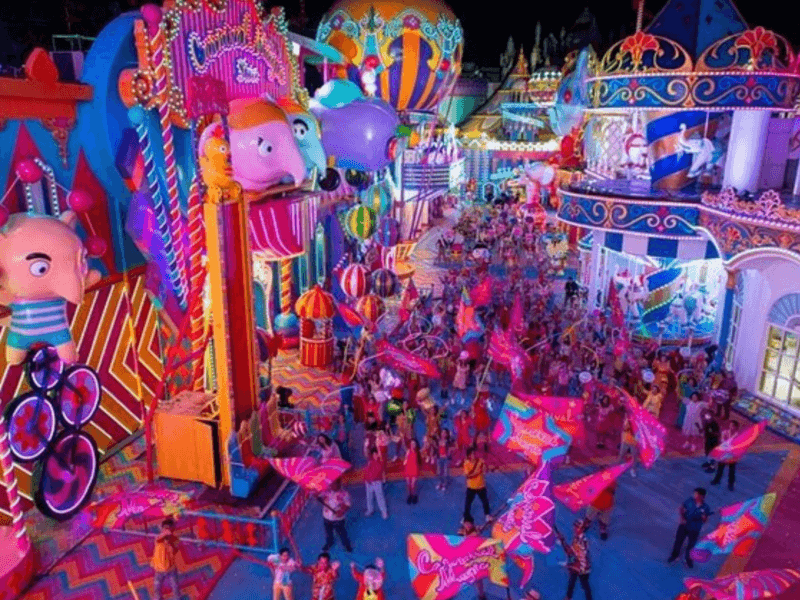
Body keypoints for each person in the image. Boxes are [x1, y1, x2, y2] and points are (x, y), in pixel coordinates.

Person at [668, 488, 712, 568]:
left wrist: (704, 517)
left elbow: (705, 520)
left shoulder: (706, 507)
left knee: (691, 545)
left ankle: (689, 560)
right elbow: (682, 509)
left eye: (697, 494)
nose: (695, 496)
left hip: (695, 529)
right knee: (678, 541)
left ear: (702, 496)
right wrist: (682, 518)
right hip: (684, 525)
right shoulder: (689, 501)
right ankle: (674, 556)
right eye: (695, 494)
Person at [556, 519, 593, 600]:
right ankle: (568, 597)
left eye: (577, 527)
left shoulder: (582, 542)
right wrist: (563, 541)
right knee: (572, 581)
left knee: (584, 585)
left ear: (582, 529)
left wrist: (563, 541)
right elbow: (571, 552)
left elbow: (571, 553)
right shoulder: (577, 539)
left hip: (582, 567)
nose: (574, 529)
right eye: (575, 527)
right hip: (577, 565)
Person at [318, 479, 353, 553]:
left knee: (342, 533)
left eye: (334, 484)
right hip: (326, 517)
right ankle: (329, 543)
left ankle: (346, 544)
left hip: (338, 519)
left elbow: (347, 504)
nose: (332, 485)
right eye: (331, 484)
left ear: (339, 484)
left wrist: (341, 511)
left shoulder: (344, 494)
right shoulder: (326, 491)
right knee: (328, 533)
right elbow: (319, 496)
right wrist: (316, 496)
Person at [152, 517, 180, 600]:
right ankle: (158, 598)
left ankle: (177, 598)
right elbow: (157, 539)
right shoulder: (159, 539)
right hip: (159, 568)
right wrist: (164, 534)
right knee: (157, 586)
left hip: (171, 568)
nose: (167, 531)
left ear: (173, 530)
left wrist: (170, 541)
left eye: (169, 529)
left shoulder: (175, 539)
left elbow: (175, 550)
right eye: (165, 529)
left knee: (175, 586)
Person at [462, 446, 492, 524]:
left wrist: (486, 468)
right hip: (471, 487)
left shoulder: (480, 461)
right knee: (468, 504)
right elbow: (468, 476)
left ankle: (487, 515)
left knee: (485, 501)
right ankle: (465, 517)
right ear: (468, 455)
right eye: (471, 454)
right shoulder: (466, 463)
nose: (473, 455)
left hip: (481, 485)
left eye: (474, 453)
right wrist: (478, 472)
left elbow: (486, 469)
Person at [711, 420, 740, 491]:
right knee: (720, 468)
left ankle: (730, 484)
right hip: (724, 453)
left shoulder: (738, 435)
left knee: (731, 470)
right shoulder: (725, 432)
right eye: (730, 425)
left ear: (736, 427)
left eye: (733, 426)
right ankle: (717, 480)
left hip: (732, 455)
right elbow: (721, 441)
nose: (731, 427)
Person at [364, 448, 389, 519]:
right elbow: (367, 471)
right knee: (369, 497)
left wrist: (383, 480)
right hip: (368, 483)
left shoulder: (380, 462)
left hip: (377, 482)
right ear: (372, 455)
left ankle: (384, 512)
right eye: (374, 454)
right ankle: (370, 510)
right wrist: (366, 480)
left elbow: (380, 472)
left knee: (380, 497)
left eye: (376, 454)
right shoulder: (370, 462)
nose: (375, 455)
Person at [404, 439, 421, 504]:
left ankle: (413, 495)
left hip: (414, 469)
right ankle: (409, 495)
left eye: (414, 443)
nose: (412, 445)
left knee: (413, 485)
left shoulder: (417, 452)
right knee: (408, 484)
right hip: (408, 469)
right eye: (411, 443)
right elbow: (406, 459)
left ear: (416, 444)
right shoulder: (408, 451)